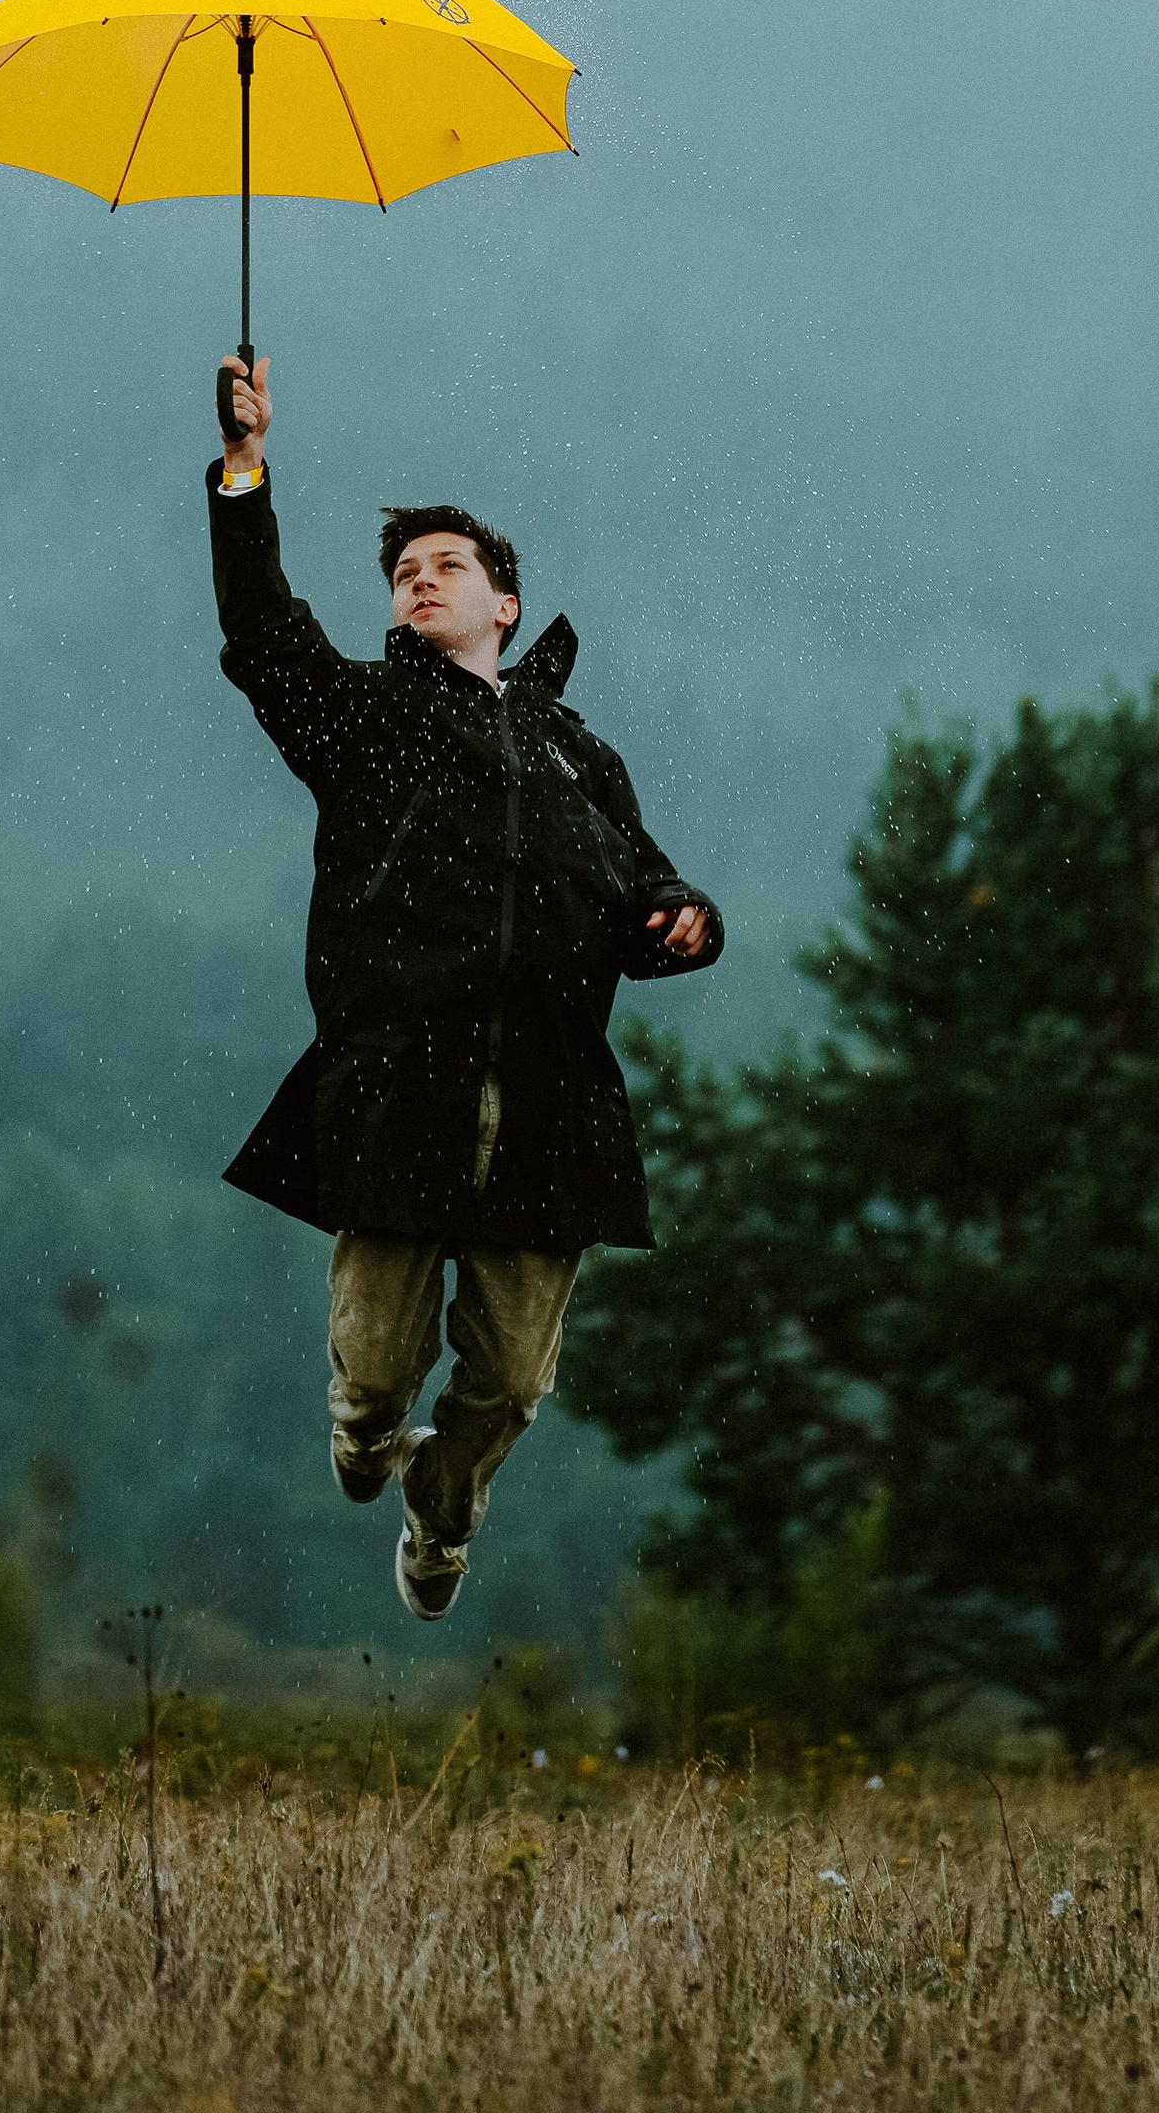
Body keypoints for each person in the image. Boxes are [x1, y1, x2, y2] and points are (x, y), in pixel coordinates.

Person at [206, 355, 724, 1622]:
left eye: (445, 565)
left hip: (551, 1102)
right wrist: (244, 471)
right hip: (398, 1082)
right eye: (403, 572)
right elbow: (262, 631)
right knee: (378, 1370)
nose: (419, 579)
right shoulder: (359, 716)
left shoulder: (578, 752)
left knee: (511, 1385)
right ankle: (366, 1431)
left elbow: (645, 890)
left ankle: (442, 1515)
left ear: (505, 603)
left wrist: (687, 923)